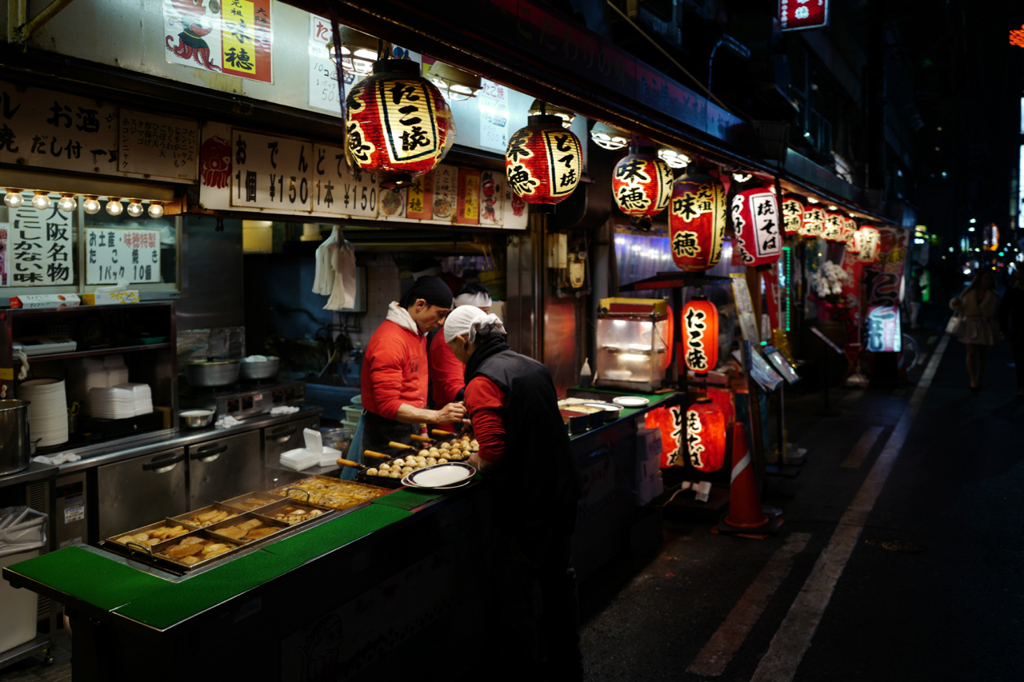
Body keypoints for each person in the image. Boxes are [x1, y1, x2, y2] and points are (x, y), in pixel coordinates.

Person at [444, 306, 583, 681]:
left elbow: (493, 453)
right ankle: (568, 665)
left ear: (463, 340)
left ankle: (524, 670)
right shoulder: (531, 365)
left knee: (515, 594)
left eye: (452, 350)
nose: (454, 357)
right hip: (563, 491)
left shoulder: (483, 381)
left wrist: (473, 460)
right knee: (558, 581)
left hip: (527, 503)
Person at [347, 276, 465, 478]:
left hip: (409, 427)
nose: (441, 323)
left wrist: (423, 430)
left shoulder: (417, 334)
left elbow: (414, 392)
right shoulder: (390, 340)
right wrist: (436, 416)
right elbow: (388, 405)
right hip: (384, 433)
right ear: (420, 304)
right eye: (440, 314)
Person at [428, 282, 493, 410]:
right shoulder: (448, 340)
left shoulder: (473, 337)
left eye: (487, 312)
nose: (486, 319)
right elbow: (454, 390)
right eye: (481, 313)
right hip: (451, 420)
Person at [950, 270, 999, 392]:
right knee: (971, 352)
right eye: (985, 278)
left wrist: (998, 331)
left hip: (984, 325)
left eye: (989, 279)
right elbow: (961, 307)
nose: (987, 281)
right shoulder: (969, 293)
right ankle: (973, 379)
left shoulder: (993, 295)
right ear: (979, 280)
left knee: (982, 355)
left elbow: (997, 315)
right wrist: (955, 303)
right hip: (970, 324)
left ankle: (979, 377)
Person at [999, 267, 1024, 397]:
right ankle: (1021, 386)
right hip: (1017, 329)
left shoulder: (1012, 289)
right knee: (1019, 359)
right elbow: (1004, 310)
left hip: (1016, 328)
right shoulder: (1012, 290)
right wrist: (1004, 328)